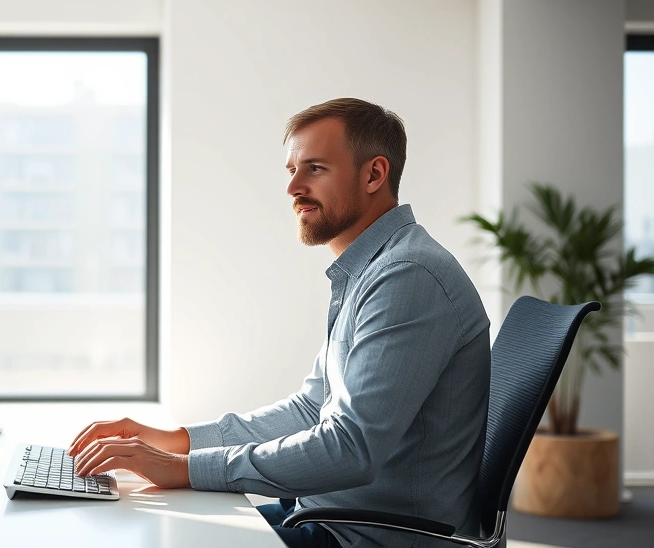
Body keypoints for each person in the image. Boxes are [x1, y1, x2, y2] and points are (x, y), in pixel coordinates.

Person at [68, 98, 491, 548]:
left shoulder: (408, 278)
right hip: (329, 517)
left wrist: (185, 470)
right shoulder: (375, 271)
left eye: (314, 168)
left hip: (371, 537)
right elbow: (312, 409)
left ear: (373, 174)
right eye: (291, 170)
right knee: (146, 520)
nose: (293, 188)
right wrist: (177, 442)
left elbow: (352, 449)